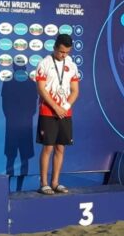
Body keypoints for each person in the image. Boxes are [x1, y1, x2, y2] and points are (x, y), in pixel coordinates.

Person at [35, 34, 80, 195]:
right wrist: (55, 107)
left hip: (65, 113)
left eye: (67, 52)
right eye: (61, 52)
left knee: (61, 148)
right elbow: (41, 88)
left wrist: (65, 106)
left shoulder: (71, 65)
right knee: (48, 147)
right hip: (48, 111)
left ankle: (55, 182)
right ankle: (44, 183)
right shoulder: (44, 63)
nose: (64, 55)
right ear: (55, 48)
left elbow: (75, 91)